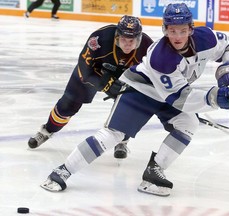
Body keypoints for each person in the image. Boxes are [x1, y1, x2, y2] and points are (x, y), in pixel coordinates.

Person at [40, 3, 229, 196]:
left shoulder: (207, 38)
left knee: (188, 123)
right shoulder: (161, 57)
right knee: (114, 134)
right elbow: (180, 99)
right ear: (164, 30)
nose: (177, 36)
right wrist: (214, 98)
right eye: (172, 31)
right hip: (140, 90)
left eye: (182, 30)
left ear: (191, 28)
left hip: (172, 93)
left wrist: (227, 71)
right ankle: (62, 171)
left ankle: (153, 173)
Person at [27, 15, 153, 159]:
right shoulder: (100, 39)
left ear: (139, 39)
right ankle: (46, 131)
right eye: (124, 39)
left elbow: (150, 77)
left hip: (125, 77)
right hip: (94, 72)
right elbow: (84, 67)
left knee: (128, 105)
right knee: (68, 103)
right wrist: (106, 84)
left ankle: (122, 140)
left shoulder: (148, 48)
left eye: (132, 41)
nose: (127, 45)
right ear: (117, 36)